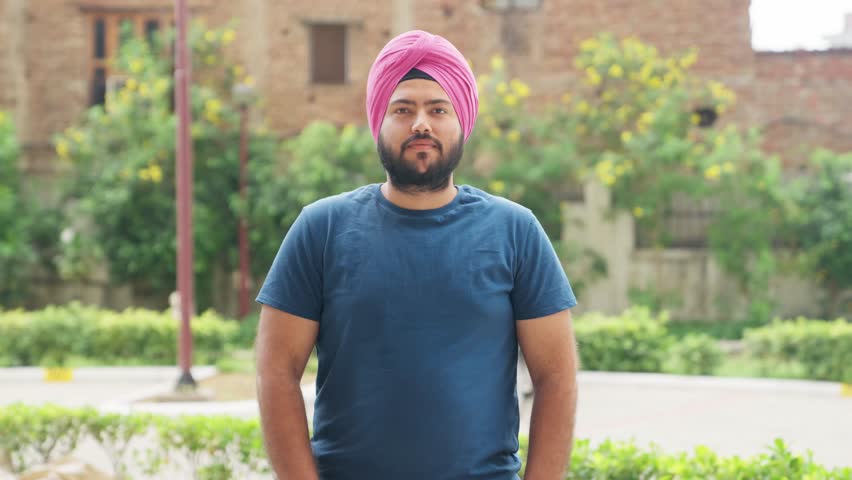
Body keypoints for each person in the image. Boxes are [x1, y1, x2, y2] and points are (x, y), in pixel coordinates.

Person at [255, 29, 579, 480]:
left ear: (461, 121)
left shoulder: (515, 230)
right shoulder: (321, 228)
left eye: (438, 109)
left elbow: (557, 377)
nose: (420, 123)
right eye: (402, 109)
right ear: (379, 123)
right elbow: (276, 371)